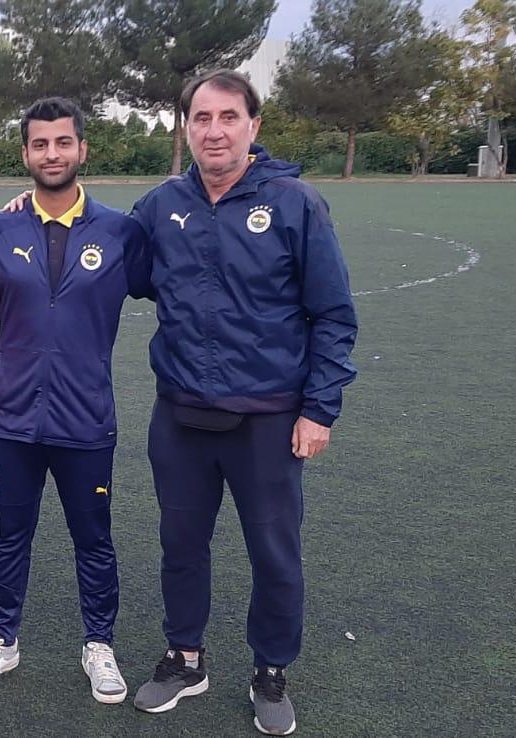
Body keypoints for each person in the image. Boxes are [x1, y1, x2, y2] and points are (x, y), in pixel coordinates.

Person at [128, 70, 359, 736]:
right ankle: (185, 658)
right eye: (201, 118)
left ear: (253, 126)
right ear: (186, 128)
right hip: (181, 414)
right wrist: (29, 208)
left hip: (269, 418)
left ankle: (271, 670)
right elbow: (113, 260)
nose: (214, 130)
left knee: (274, 553)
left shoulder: (295, 203)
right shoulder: (160, 205)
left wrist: (319, 409)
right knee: (180, 545)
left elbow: (333, 314)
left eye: (228, 117)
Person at [0, 97, 154, 705]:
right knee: (9, 535)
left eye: (63, 142)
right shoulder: (2, 229)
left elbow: (171, 287)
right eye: (40, 144)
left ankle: (99, 645)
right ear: (25, 153)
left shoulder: (120, 232)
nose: (52, 154)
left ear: (82, 149)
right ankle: (2, 639)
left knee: (93, 538)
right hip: (12, 418)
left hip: (86, 418)